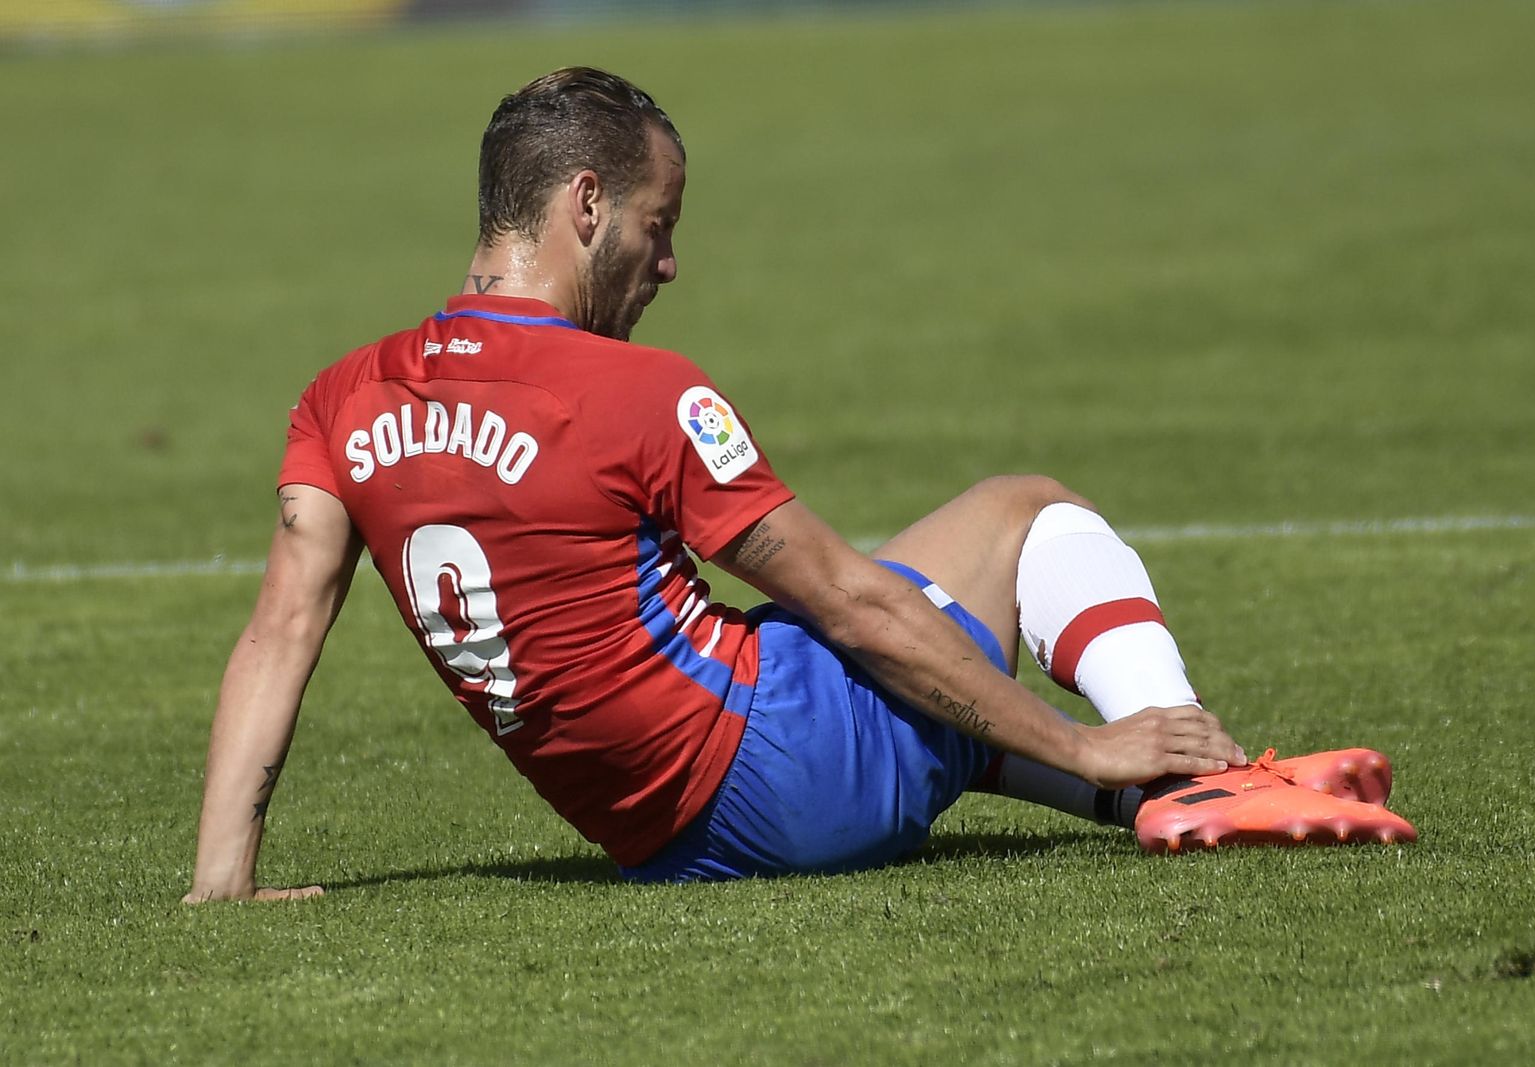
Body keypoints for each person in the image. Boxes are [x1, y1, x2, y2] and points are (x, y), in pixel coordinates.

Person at [184, 67, 1414, 900]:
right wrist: (1085, 741)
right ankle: (1187, 780)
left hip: (664, 840)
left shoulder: (343, 399)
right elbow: (853, 605)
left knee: (882, 671)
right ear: (585, 204)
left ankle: (1168, 782)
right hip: (777, 768)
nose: (670, 260)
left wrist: (221, 879)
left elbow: (281, 629)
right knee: (1024, 513)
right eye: (658, 225)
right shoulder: (635, 393)